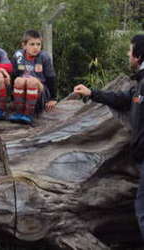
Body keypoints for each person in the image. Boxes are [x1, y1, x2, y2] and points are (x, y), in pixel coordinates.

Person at [73, 34, 144, 239]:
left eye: (130, 50)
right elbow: (122, 99)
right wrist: (91, 93)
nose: (127, 54)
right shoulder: (139, 85)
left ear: (138, 55)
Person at [9, 30, 57, 125]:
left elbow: (51, 78)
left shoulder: (44, 57)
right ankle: (19, 112)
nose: (36, 47)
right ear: (24, 45)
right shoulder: (18, 56)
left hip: (40, 91)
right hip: (22, 91)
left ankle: (28, 114)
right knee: (19, 80)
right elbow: (13, 76)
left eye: (38, 44)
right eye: (32, 44)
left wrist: (53, 98)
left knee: (32, 81)